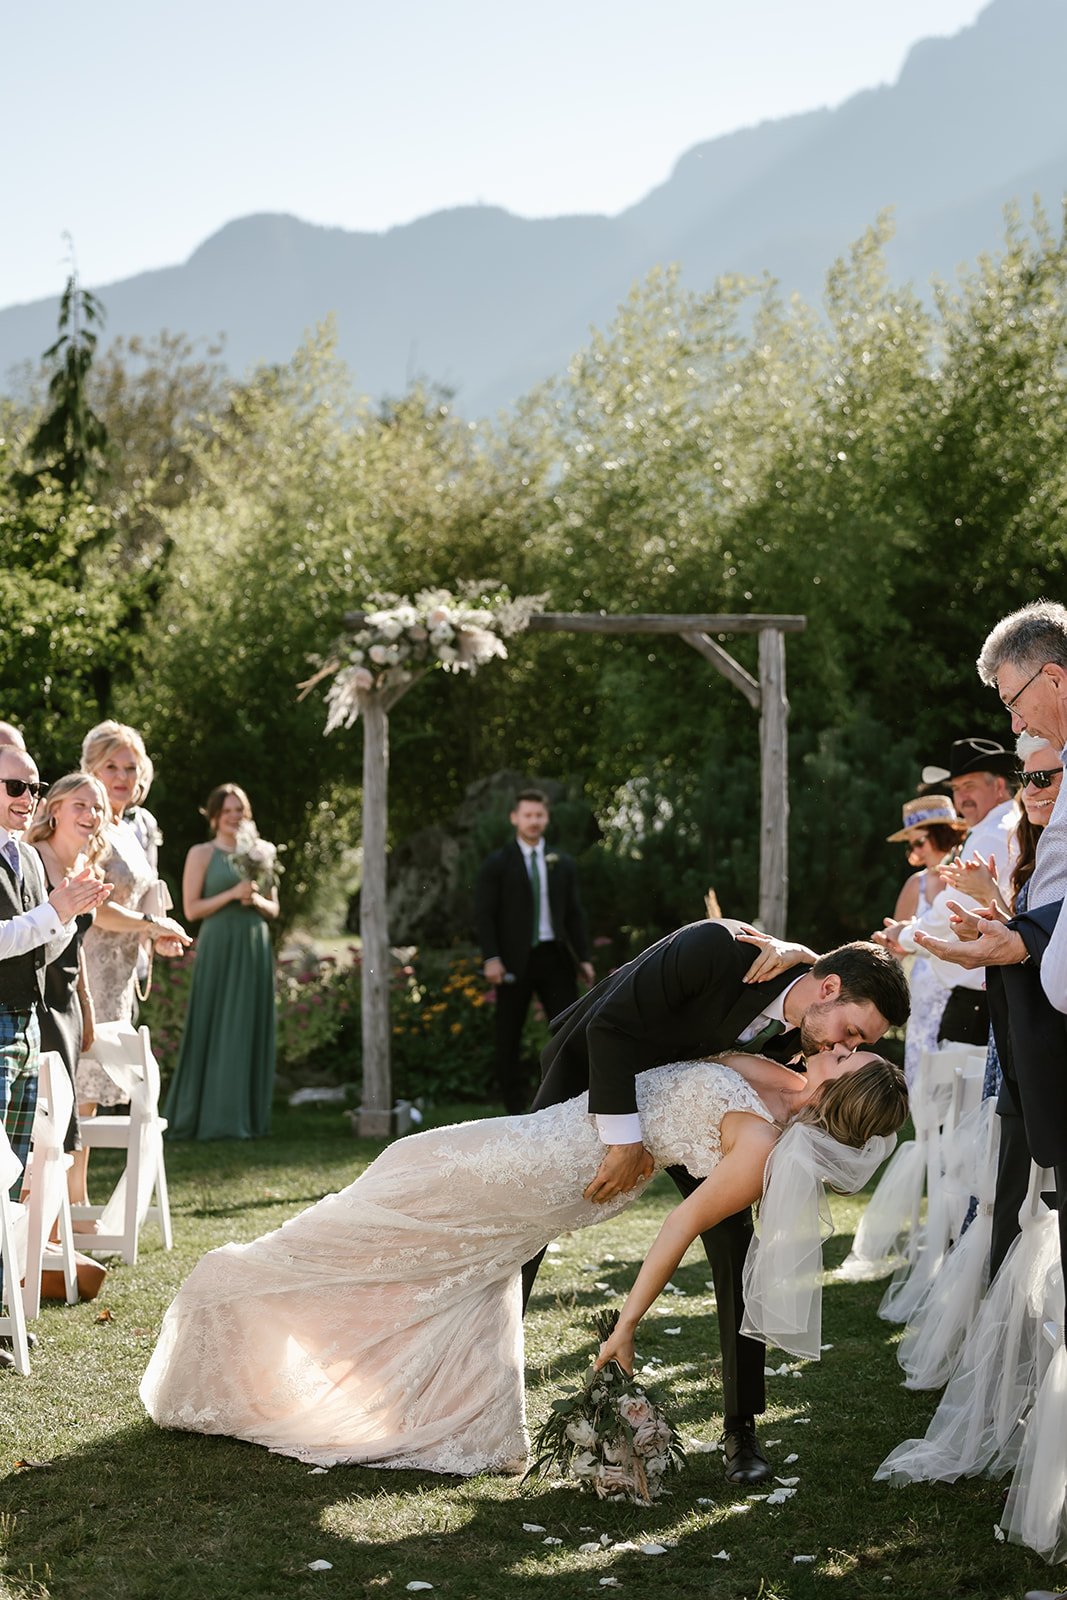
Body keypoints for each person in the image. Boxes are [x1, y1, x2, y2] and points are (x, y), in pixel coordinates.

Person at [140, 1044, 907, 1470]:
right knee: (408, 1233)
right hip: (533, 1140)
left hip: (552, 1176)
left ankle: (238, 1290)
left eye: (848, 1056)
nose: (838, 1045)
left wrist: (625, 1326)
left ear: (840, 1094)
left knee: (377, 1229)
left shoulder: (760, 1149)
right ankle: (408, 1396)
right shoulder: (770, 1083)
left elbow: (674, 1233)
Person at [523, 921, 910, 1484]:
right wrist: (625, 1139)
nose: (843, 1047)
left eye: (857, 1047)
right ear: (826, 989)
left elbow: (800, 1071)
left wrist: (805, 955)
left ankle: (742, 1430)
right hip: (598, 1070)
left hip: (700, 1125)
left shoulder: (809, 1035)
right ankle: (488, 1381)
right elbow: (611, 1027)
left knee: (735, 1247)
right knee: (528, 1225)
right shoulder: (717, 952)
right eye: (851, 1034)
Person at [917, 601, 1067, 1584]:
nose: (1014, 723)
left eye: (1012, 700)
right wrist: (1000, 927)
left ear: (1049, 678)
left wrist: (1012, 935)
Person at [0, 745, 110, 1357]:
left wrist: (67, 914)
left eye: (33, 787)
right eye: (15, 785)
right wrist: (55, 911)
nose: (27, 798)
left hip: (24, 1026)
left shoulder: (22, 856)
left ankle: (2, 1313)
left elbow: (38, 949)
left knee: (14, 1177)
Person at [75, 722, 190, 1211]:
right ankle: (68, 1204)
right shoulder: (86, 821)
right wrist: (148, 924)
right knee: (77, 1087)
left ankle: (73, 1200)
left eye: (130, 768)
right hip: (87, 966)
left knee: (95, 1090)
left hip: (122, 974)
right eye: (111, 767)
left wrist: (158, 936)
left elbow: (148, 896)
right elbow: (93, 906)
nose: (121, 777)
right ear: (91, 768)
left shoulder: (134, 824)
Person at [877, 737, 1018, 1047]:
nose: (962, 796)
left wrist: (903, 935)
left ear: (999, 787)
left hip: (979, 997)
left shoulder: (991, 835)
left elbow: (951, 912)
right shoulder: (1001, 827)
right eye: (956, 788)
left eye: (970, 785)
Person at [163, 784, 279, 1140]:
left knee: (248, 1024)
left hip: (253, 942)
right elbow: (191, 908)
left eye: (239, 810)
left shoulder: (261, 852)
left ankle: (246, 1117)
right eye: (227, 810)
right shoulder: (201, 853)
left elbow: (275, 908)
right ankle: (207, 1116)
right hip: (219, 943)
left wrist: (256, 900)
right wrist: (231, 893)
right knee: (216, 1021)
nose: (234, 817)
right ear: (214, 815)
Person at [475, 788, 594, 1112]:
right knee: (508, 1034)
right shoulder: (498, 864)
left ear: (546, 818)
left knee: (570, 1030)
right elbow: (484, 914)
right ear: (515, 818)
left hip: (554, 956)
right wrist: (491, 957)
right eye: (527, 815)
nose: (533, 821)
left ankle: (569, 1101)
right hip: (514, 960)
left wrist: (583, 958)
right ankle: (513, 1109)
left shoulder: (561, 863)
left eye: (539, 815)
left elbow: (573, 914)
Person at [24, 773, 112, 1158]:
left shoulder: (88, 867)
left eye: (97, 807)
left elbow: (78, 944)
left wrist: (87, 1004)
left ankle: (58, 1216)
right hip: (35, 994)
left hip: (68, 999)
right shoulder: (32, 858)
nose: (91, 814)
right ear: (54, 808)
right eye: (80, 804)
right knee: (42, 1118)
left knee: (61, 1114)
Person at [882, 795, 968, 1088]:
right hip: (924, 988)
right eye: (911, 844)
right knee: (923, 1072)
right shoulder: (914, 884)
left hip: (963, 983)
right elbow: (894, 946)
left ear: (941, 835)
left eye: (919, 842)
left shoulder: (964, 878)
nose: (915, 851)